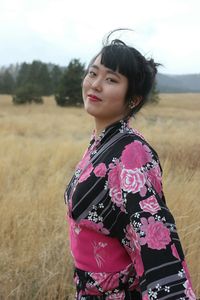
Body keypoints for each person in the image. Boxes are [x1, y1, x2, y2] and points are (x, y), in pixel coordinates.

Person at [64, 30, 196, 300]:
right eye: (93, 73)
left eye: (111, 79)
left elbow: (153, 237)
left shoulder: (132, 154)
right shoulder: (103, 143)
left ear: (133, 100)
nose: (95, 84)